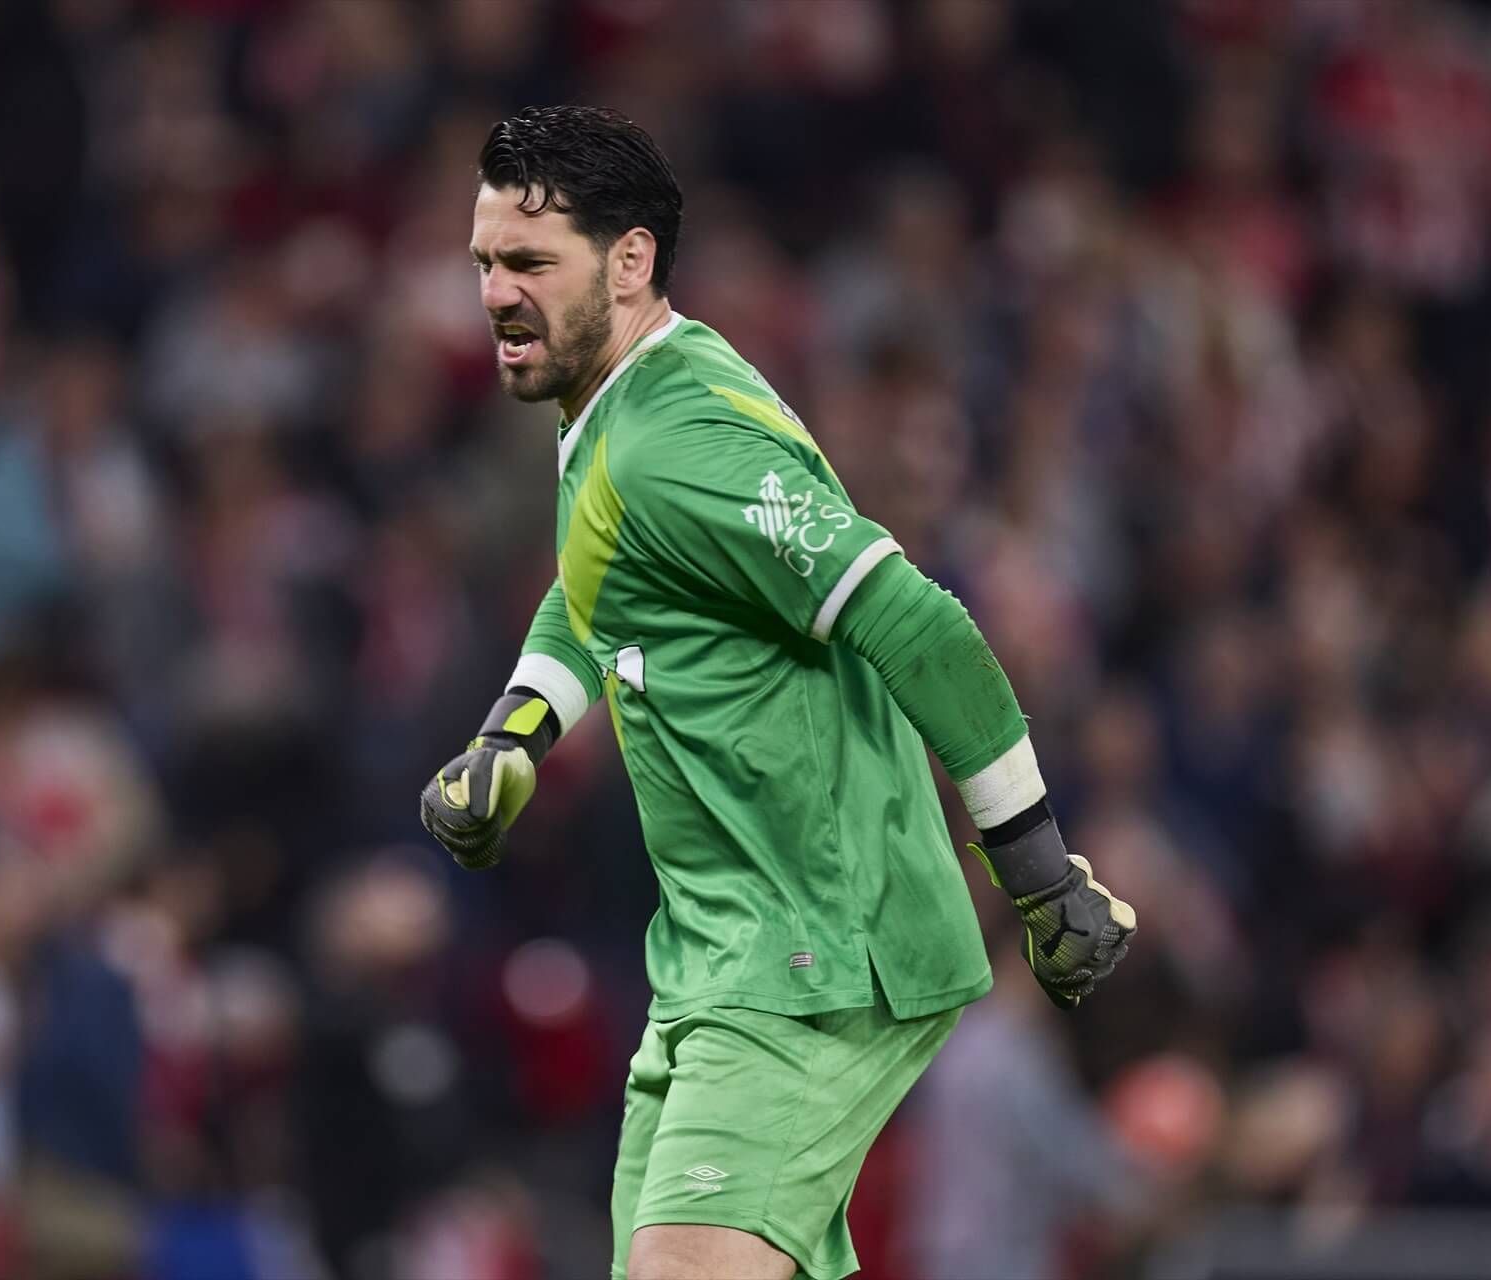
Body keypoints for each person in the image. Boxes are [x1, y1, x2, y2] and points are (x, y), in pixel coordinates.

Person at [418, 105, 1136, 1280]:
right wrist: (517, 732)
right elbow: (600, 582)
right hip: (721, 950)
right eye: (486, 262)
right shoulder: (618, 405)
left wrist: (1039, 870)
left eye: (531, 263)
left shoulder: (677, 440)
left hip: (814, 949)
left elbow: (917, 620)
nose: (497, 293)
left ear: (632, 258)